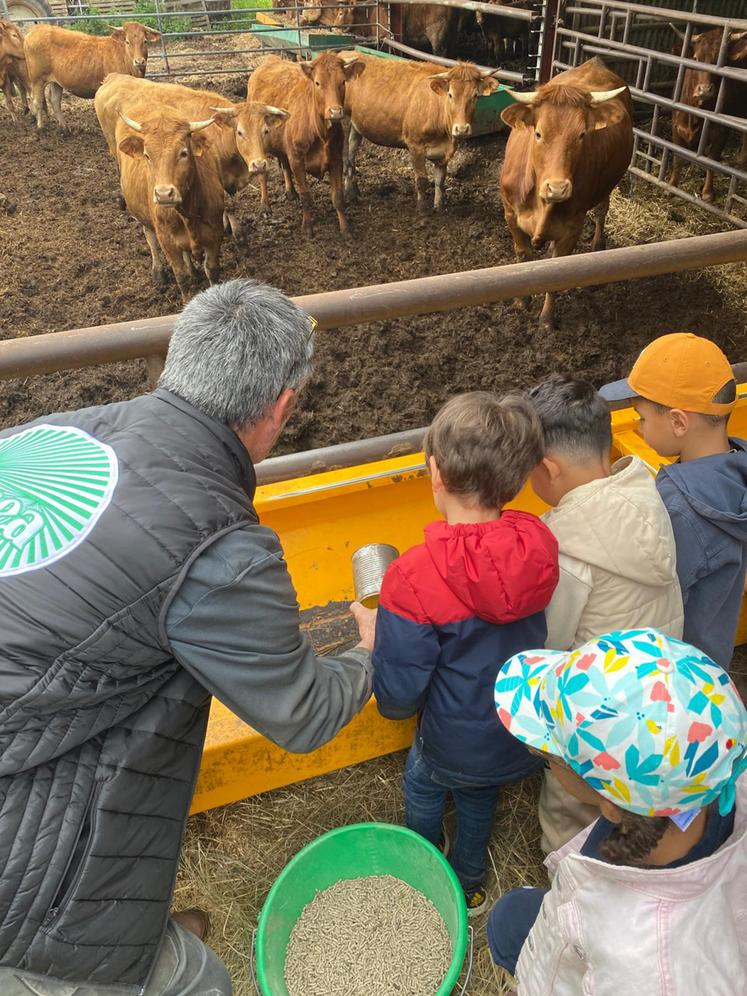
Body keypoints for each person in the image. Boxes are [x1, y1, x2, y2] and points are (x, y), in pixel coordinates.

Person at [0, 279, 376, 996]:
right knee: (197, 982)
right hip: (15, 850)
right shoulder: (218, 547)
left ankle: (139, 923)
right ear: (281, 406)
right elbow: (300, 711)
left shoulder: (58, 431)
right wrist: (370, 650)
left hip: (23, 717)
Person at [369, 392, 559, 915]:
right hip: (513, 727)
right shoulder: (538, 544)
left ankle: (423, 866)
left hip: (449, 739)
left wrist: (376, 634)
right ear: (515, 480)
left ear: (435, 473)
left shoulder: (411, 576)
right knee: (480, 798)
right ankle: (471, 883)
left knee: (423, 784)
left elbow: (400, 692)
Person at [486, 628, 747, 996]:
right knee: (510, 915)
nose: (543, 759)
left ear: (610, 803)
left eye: (547, 758)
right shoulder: (715, 773)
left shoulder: (645, 968)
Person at [527, 374, 684, 852]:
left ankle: (571, 868)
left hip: (598, 715)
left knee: (572, 800)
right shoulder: (646, 497)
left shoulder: (568, 552)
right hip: (661, 692)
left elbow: (551, 645)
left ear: (549, 469)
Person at [600, 332, 747, 670]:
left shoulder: (679, 507)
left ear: (679, 422)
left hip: (674, 675)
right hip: (713, 663)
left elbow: (655, 599)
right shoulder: (736, 471)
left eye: (642, 418)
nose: (639, 428)